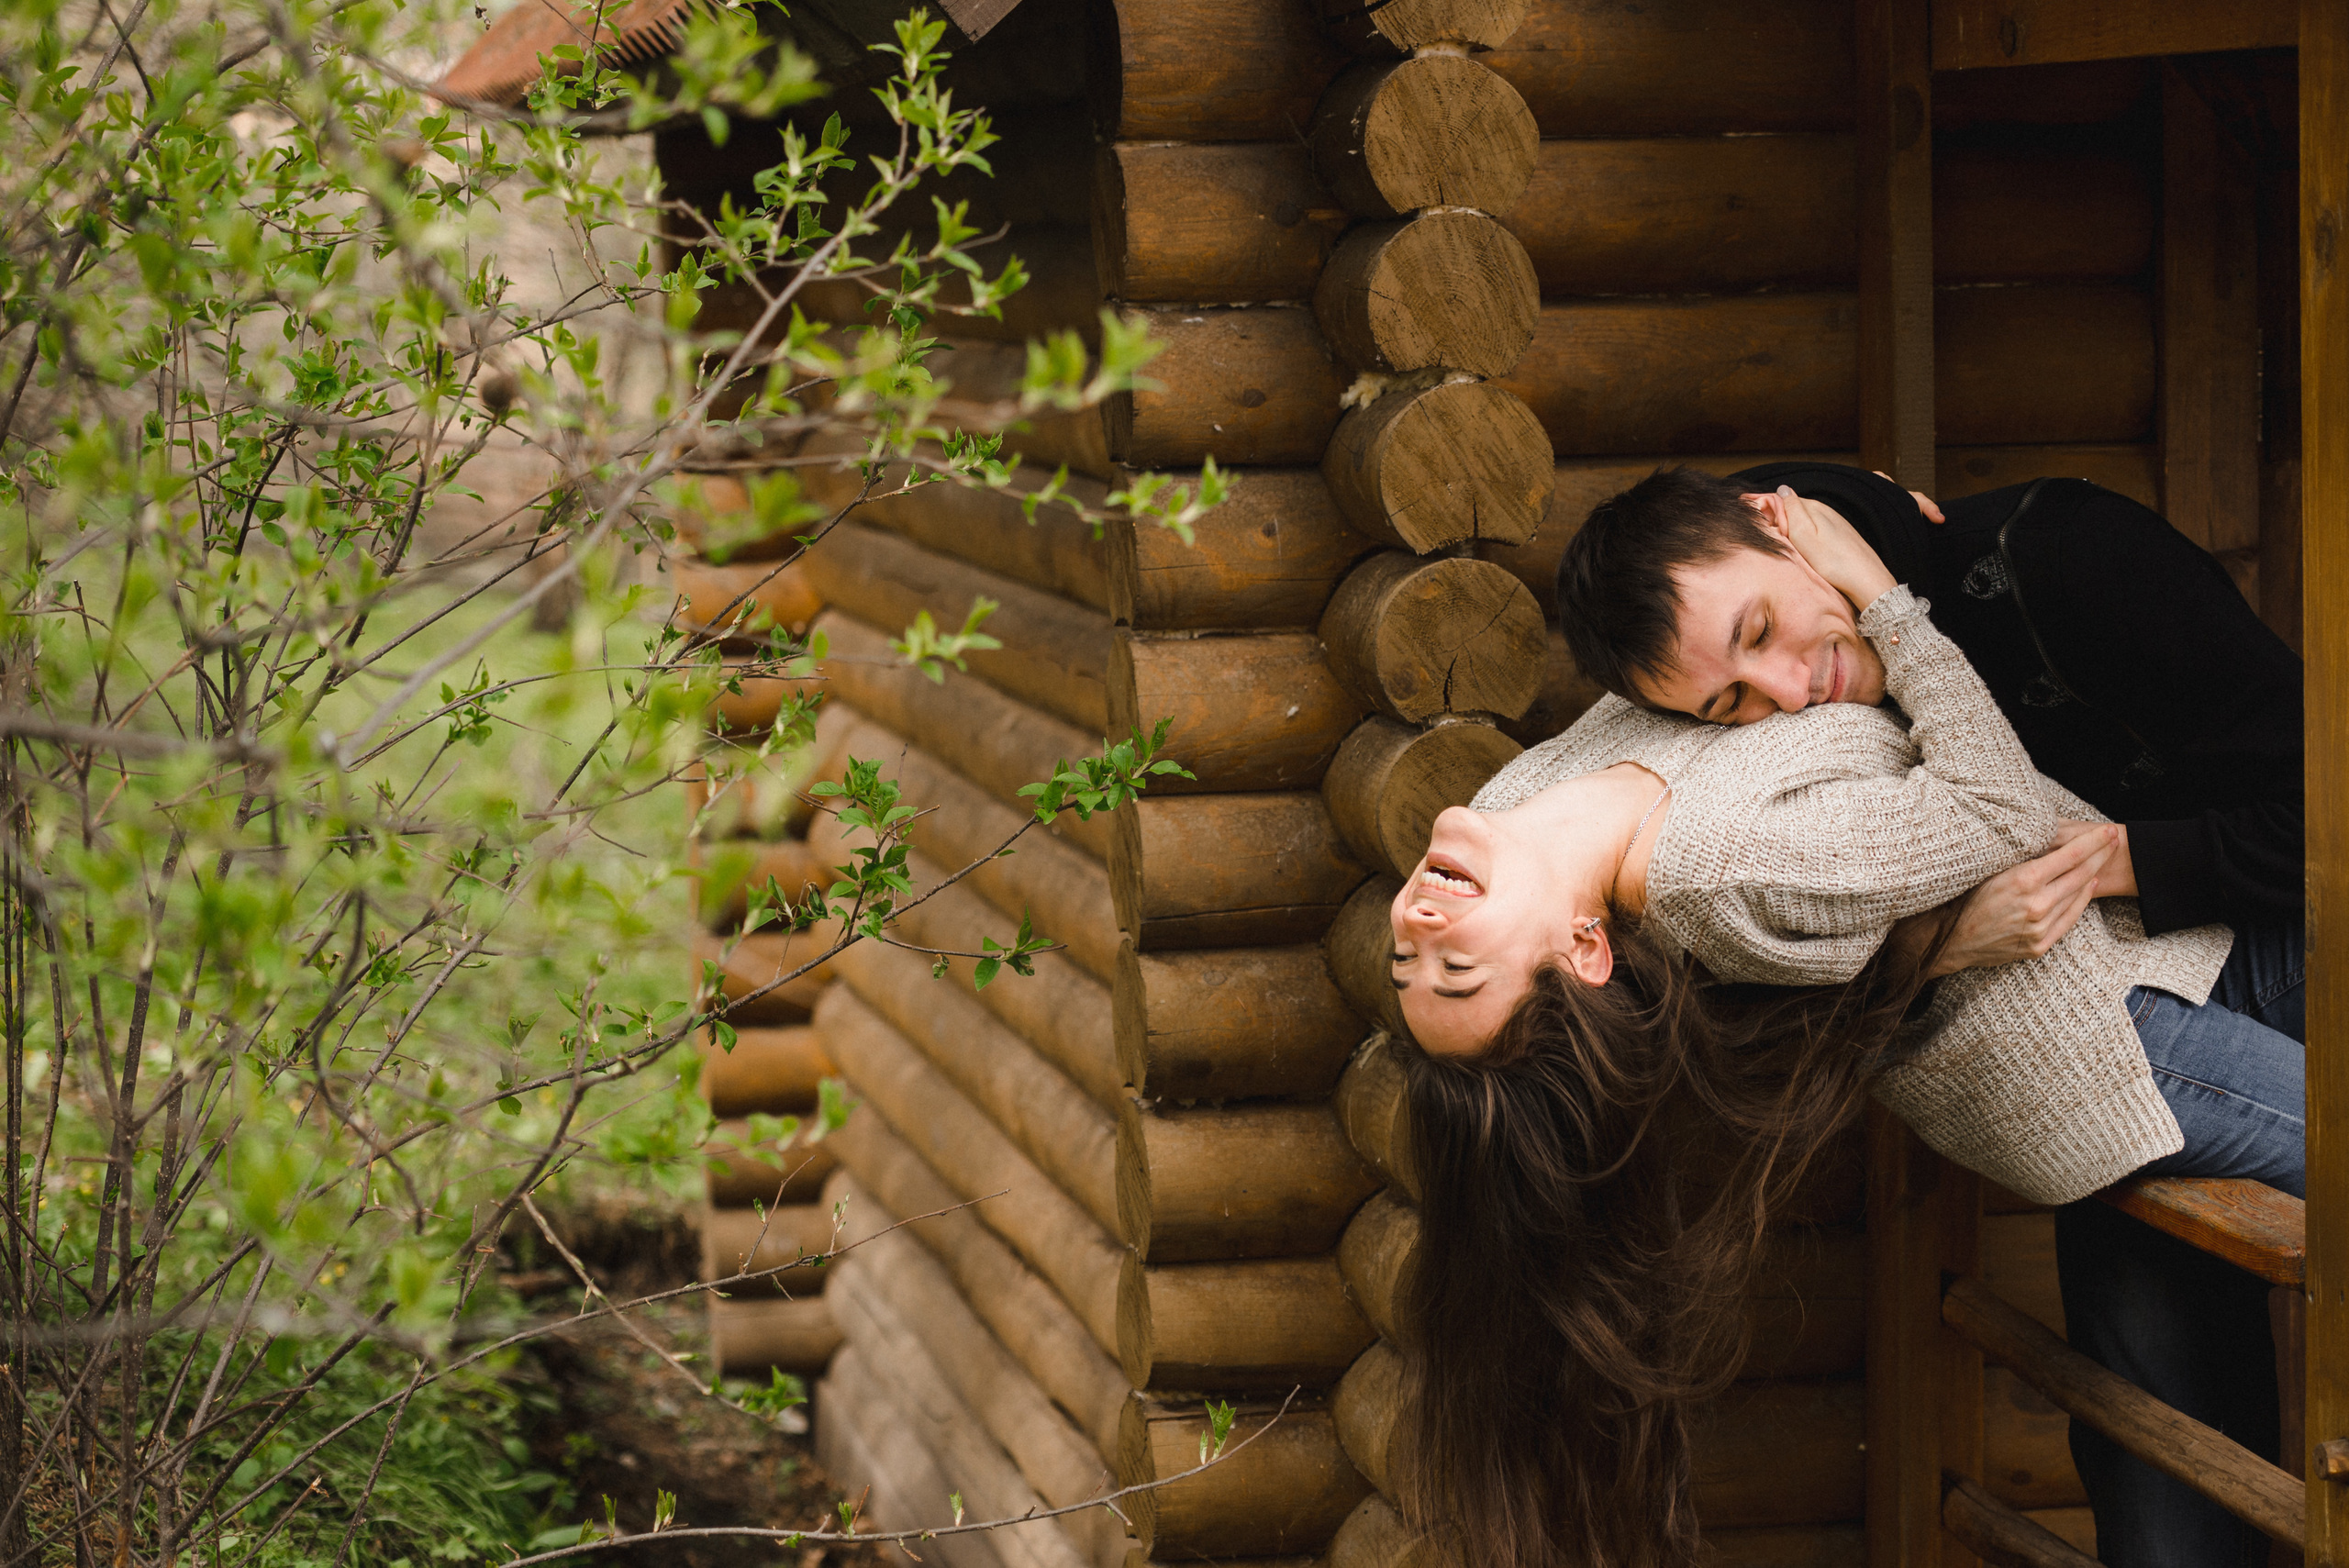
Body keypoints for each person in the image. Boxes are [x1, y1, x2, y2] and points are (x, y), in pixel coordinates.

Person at [1386, 502, 2298, 1568]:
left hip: (2139, 950)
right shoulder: (1735, 868)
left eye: (1405, 960)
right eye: (1458, 964)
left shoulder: (1521, 803)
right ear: (1586, 947)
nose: (1416, 925)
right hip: (2106, 1031)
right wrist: (1878, 594)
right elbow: (1995, 807)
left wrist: (1827, 500)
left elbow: (1698, 593)